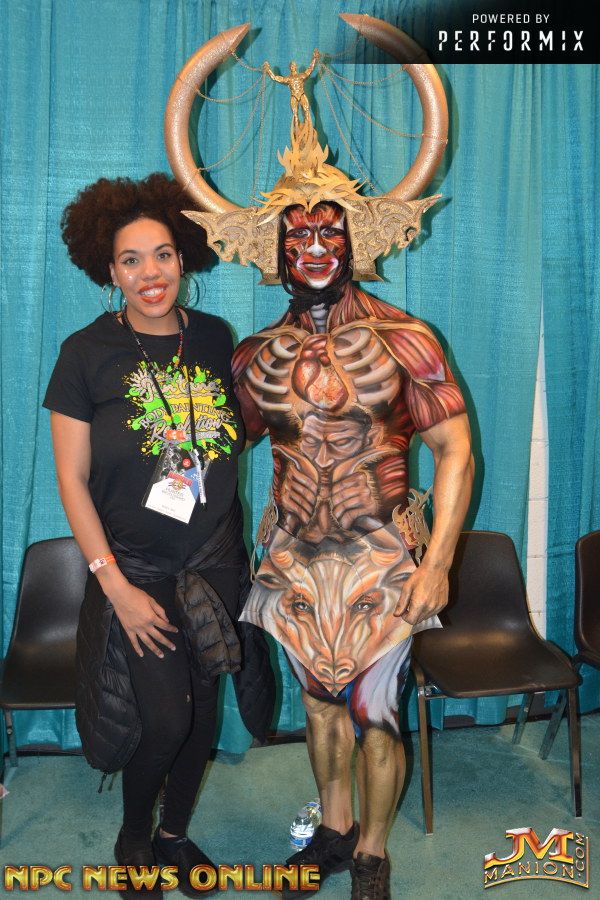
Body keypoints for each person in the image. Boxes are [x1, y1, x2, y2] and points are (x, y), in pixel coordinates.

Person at [163, 19, 473, 897]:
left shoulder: (408, 338)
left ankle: (372, 849)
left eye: (328, 232)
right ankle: (332, 831)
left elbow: (455, 450)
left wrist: (439, 562)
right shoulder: (255, 355)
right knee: (321, 707)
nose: (311, 247)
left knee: (377, 710)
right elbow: (213, 450)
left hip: (383, 555)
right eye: (295, 234)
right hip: (295, 555)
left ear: (356, 240)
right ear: (274, 250)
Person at [43, 173, 272, 897]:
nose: (151, 273)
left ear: (185, 257)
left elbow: (229, 438)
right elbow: (71, 480)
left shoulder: (213, 338)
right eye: (131, 259)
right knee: (166, 719)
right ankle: (134, 835)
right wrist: (113, 584)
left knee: (202, 715)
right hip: (136, 570)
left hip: (214, 559)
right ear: (108, 270)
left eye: (164, 254)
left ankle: (175, 834)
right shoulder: (84, 353)